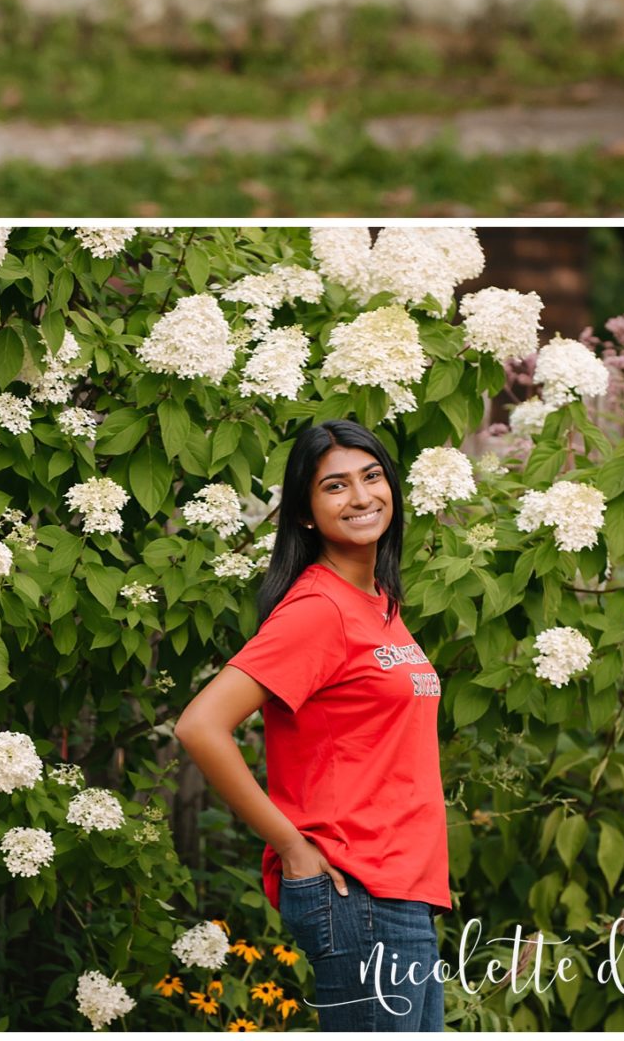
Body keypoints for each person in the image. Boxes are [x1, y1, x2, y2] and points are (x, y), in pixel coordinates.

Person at [174, 422, 449, 1033]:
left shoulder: (377, 603)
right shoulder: (320, 610)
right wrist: (293, 846)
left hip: (399, 887)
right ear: (302, 513)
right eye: (335, 486)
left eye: (372, 477)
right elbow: (201, 725)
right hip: (356, 887)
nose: (361, 497)